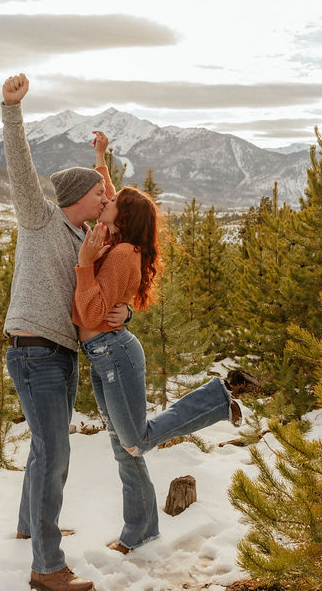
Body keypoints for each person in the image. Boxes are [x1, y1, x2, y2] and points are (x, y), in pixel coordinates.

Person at [73, 131, 242, 555]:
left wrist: (83, 267)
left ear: (122, 217)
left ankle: (216, 400)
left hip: (113, 353)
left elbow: (92, 314)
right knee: (123, 450)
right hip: (103, 355)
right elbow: (118, 199)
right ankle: (141, 531)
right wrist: (100, 158)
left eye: (108, 202)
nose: (102, 202)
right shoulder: (119, 240)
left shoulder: (121, 253)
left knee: (136, 441)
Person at [0, 74, 128, 591]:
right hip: (35, 351)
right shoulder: (41, 218)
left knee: (44, 448)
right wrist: (11, 108)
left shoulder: (87, 235)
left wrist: (104, 160)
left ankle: (31, 527)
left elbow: (115, 206)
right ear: (80, 198)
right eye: (99, 193)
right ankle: (47, 567)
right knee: (55, 453)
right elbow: (20, 168)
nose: (105, 199)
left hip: (57, 354)